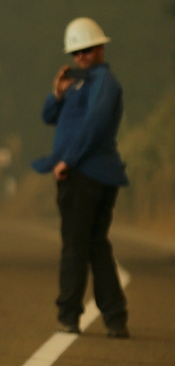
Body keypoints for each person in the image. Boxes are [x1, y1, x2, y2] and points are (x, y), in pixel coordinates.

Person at [31, 17, 130, 338]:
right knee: (95, 245)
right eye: (77, 53)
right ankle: (115, 317)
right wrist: (58, 93)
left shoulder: (104, 83)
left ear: (100, 47)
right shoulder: (82, 85)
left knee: (75, 246)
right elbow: (49, 116)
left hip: (85, 176)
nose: (82, 57)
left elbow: (95, 125)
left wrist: (67, 162)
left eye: (87, 50)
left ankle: (69, 314)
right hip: (87, 174)